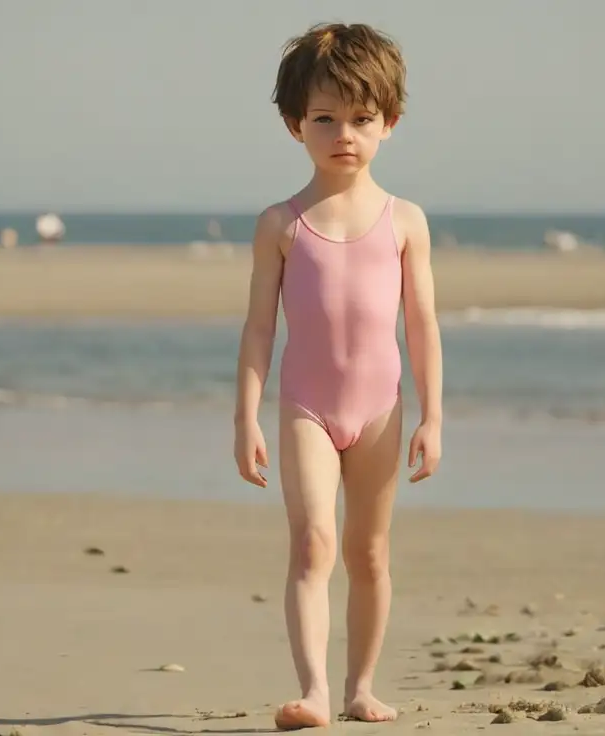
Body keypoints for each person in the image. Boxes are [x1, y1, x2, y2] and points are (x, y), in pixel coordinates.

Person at [232, 21, 444, 730]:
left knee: (370, 552)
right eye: (325, 118)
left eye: (362, 117)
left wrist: (433, 418)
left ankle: (361, 687)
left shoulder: (405, 221)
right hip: (305, 410)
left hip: (382, 411)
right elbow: (260, 328)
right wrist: (246, 419)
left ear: (391, 122)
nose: (344, 133)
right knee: (313, 542)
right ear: (295, 126)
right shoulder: (281, 224)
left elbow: (421, 327)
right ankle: (315, 692)